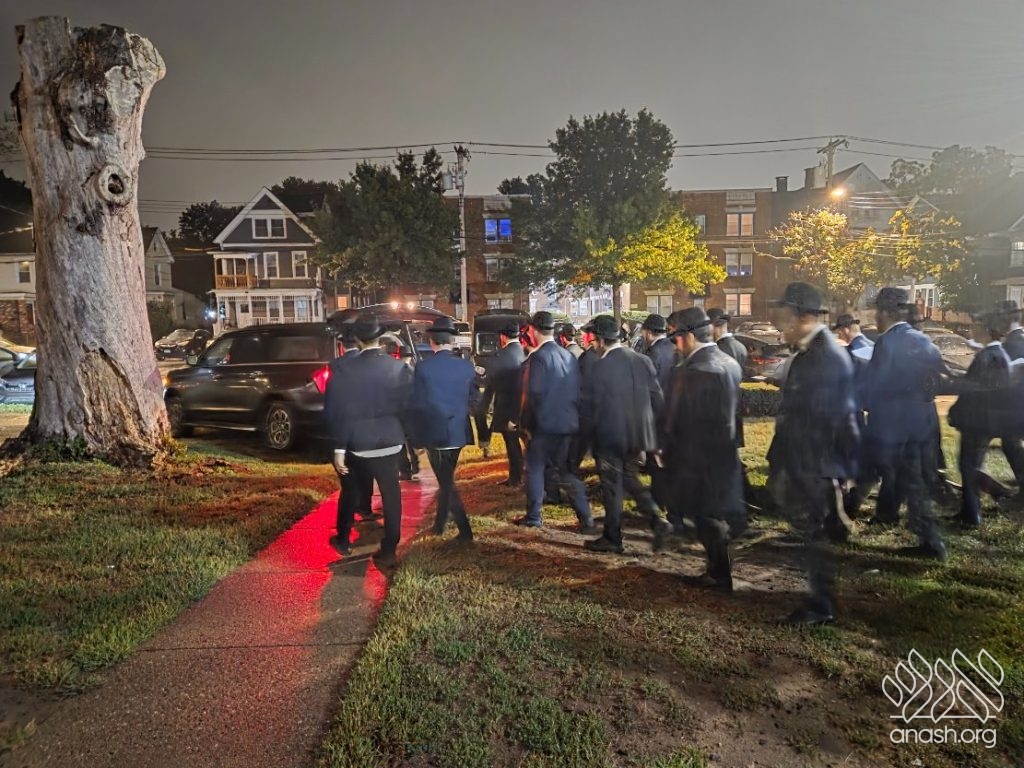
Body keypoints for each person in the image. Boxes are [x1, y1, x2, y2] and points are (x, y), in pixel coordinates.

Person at [767, 282, 859, 625]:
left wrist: (836, 470)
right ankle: (821, 598)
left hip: (815, 463)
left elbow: (836, 417)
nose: (782, 324)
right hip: (808, 461)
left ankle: (821, 606)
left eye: (786, 316)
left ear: (803, 317)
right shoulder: (811, 352)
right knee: (813, 530)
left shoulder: (825, 356)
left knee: (815, 533)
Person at [859, 288, 946, 558]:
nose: (875, 316)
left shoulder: (886, 343)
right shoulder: (922, 339)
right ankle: (889, 515)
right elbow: (938, 379)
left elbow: (876, 387)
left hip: (895, 423)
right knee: (912, 478)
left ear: (886, 313)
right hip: (923, 421)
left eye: (877, 311)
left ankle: (932, 544)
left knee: (910, 481)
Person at [662, 307, 745, 590]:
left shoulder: (697, 370)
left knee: (706, 515)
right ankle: (718, 567)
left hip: (700, 458)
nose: (675, 345)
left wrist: (670, 450)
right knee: (711, 513)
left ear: (687, 336)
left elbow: (686, 419)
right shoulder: (728, 362)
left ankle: (719, 573)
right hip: (723, 453)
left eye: (675, 338)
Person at [324, 315, 413, 569]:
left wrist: (339, 448)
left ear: (358, 340)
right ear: (379, 338)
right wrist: (408, 438)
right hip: (391, 440)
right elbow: (409, 406)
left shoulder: (344, 371)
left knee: (351, 490)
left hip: (358, 441)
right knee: (391, 493)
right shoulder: (398, 367)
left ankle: (343, 539)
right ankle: (390, 548)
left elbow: (337, 413)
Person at [579, 315, 670, 554]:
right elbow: (657, 399)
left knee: (612, 486)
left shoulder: (597, 368)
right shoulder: (643, 360)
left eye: (593, 339)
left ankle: (613, 537)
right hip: (638, 436)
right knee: (630, 478)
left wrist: (580, 445)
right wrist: (657, 438)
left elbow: (589, 409)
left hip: (610, 437)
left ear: (600, 340)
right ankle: (657, 519)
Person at [516, 311, 597, 531]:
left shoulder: (538, 358)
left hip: (544, 424)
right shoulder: (568, 355)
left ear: (533, 330)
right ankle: (586, 516)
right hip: (567, 422)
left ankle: (533, 516)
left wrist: (525, 424)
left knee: (534, 468)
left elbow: (533, 393)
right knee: (564, 471)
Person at [410, 317, 480, 542]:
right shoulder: (466, 366)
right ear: (451, 340)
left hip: (435, 433)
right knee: (446, 479)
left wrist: (416, 439)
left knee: (447, 483)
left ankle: (465, 531)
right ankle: (440, 524)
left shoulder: (423, 368)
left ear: (432, 341)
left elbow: (418, 405)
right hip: (458, 431)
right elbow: (475, 400)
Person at [948, 307, 1014, 528]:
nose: (972, 329)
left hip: (977, 421)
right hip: (987, 420)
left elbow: (973, 390)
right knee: (971, 465)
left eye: (975, 325)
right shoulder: (999, 355)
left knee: (968, 466)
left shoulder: (987, 356)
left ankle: (973, 514)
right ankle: (969, 509)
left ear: (986, 329)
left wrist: (953, 389)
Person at [477, 321, 525, 486]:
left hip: (507, 407)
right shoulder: (526, 352)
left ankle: (516, 477)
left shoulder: (500, 356)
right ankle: (524, 475)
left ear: (503, 337)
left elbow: (491, 385)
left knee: (512, 445)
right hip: (525, 406)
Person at [708, 307, 748, 450]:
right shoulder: (741, 347)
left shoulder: (717, 350)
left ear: (714, 326)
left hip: (721, 407)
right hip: (736, 404)